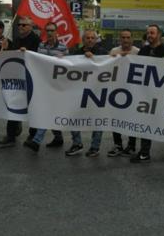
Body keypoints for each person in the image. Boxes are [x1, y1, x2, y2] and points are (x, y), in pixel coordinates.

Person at [130, 24, 164, 163]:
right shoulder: (143, 50)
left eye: (152, 33)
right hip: (146, 94)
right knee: (145, 123)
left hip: (162, 95)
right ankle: (144, 152)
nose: (150, 35)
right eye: (148, 33)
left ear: (159, 35)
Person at [23, 22, 68, 152]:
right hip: (43, 84)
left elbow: (70, 66)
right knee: (50, 111)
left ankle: (37, 141)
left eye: (52, 30)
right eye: (47, 30)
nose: (49, 33)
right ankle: (58, 137)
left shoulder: (63, 48)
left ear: (56, 32)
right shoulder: (41, 46)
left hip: (56, 85)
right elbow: (36, 61)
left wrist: (64, 58)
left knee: (47, 111)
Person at [0, 16, 41, 148]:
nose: (20, 27)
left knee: (33, 107)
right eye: (19, 25)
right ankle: (11, 135)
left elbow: (40, 57)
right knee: (13, 104)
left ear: (31, 26)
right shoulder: (16, 40)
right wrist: (5, 48)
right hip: (17, 77)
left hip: (31, 78)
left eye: (24, 25)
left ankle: (32, 135)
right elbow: (10, 56)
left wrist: (28, 53)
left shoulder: (37, 40)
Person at [66, 29, 108, 157]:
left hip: (97, 92)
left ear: (96, 40)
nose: (90, 40)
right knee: (73, 117)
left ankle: (95, 147)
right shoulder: (76, 53)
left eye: (92, 38)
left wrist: (94, 59)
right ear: (83, 40)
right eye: (87, 38)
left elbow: (108, 67)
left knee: (97, 119)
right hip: (79, 91)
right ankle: (77, 143)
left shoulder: (102, 52)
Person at [107, 29, 140, 157]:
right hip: (117, 91)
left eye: (128, 37)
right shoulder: (114, 52)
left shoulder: (138, 52)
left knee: (132, 119)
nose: (126, 40)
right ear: (119, 39)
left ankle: (131, 146)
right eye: (123, 37)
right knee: (116, 119)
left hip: (134, 91)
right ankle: (118, 145)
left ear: (132, 39)